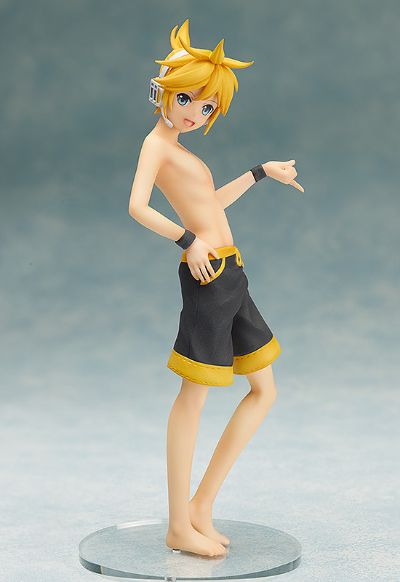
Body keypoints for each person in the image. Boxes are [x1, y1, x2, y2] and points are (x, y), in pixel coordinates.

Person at [128, 18, 304, 558]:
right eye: (187, 98)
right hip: (206, 278)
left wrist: (260, 172)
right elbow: (137, 206)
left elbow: (211, 205)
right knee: (193, 396)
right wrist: (188, 241)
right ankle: (178, 525)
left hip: (231, 274)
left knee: (264, 389)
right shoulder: (156, 147)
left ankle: (201, 506)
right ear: (162, 89)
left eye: (206, 107)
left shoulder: (184, 153)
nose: (194, 112)